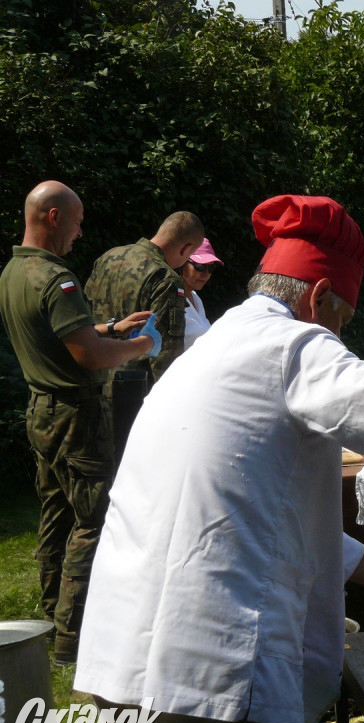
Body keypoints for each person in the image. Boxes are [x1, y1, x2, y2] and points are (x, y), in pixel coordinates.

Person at [74, 194, 364, 723]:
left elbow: (252, 511)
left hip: (122, 659)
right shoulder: (290, 343)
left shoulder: (214, 349)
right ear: (319, 296)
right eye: (342, 321)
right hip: (213, 676)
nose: (339, 336)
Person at [0, 181, 159, 665]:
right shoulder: (58, 278)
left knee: (55, 515)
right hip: (76, 415)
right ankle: (74, 638)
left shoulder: (13, 271)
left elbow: (61, 335)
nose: (80, 230)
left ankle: (49, 619)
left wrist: (114, 328)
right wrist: (141, 345)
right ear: (53, 217)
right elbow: (87, 356)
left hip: (42, 409)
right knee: (93, 520)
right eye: (77, 219)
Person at [86, 210, 204, 385]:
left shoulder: (108, 258)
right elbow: (166, 352)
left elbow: (86, 317)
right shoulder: (166, 278)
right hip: (137, 390)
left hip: (97, 382)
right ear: (186, 248)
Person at [181, 238, 223, 350]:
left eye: (211, 268)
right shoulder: (169, 297)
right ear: (182, 262)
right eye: (200, 266)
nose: (206, 274)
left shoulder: (195, 297)